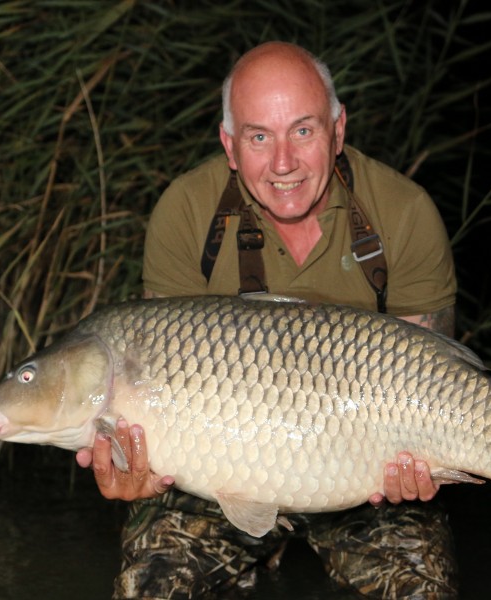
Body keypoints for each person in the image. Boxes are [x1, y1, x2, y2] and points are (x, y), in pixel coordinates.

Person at [76, 41, 459, 599]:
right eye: (259, 137)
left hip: (363, 472)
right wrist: (136, 475)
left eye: (303, 131)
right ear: (230, 145)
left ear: (338, 129)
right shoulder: (186, 213)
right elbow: (159, 392)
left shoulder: (405, 213)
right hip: (216, 480)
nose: (283, 163)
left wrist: (422, 467)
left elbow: (435, 373)